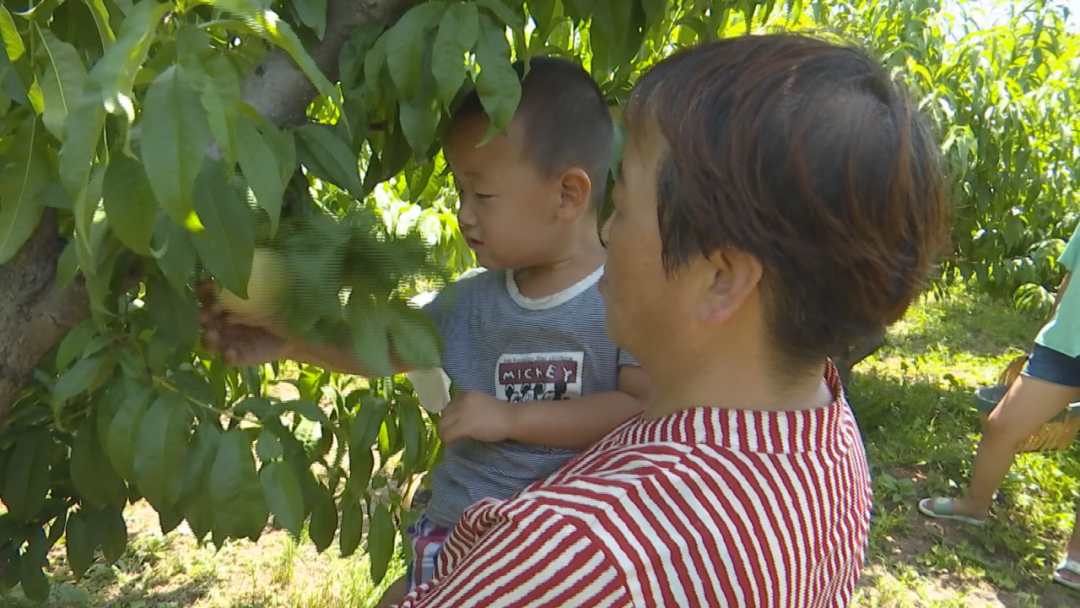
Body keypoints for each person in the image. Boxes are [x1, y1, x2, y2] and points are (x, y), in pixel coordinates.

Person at [207, 33, 948, 605]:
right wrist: (293, 335)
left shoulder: (577, 556)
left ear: (721, 278)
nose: (608, 232)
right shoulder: (820, 431)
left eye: (622, 204)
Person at [201, 56, 648, 602]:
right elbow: (387, 350)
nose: (463, 214)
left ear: (568, 195)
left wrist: (512, 417)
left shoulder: (624, 298)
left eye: (482, 195)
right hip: (453, 534)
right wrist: (291, 340)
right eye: (460, 193)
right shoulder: (470, 299)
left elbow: (637, 410)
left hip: (555, 560)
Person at [919, 221, 1080, 590]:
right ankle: (975, 506)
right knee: (1002, 425)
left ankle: (1078, 554)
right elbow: (1071, 277)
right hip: (1065, 343)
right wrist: (1050, 327)